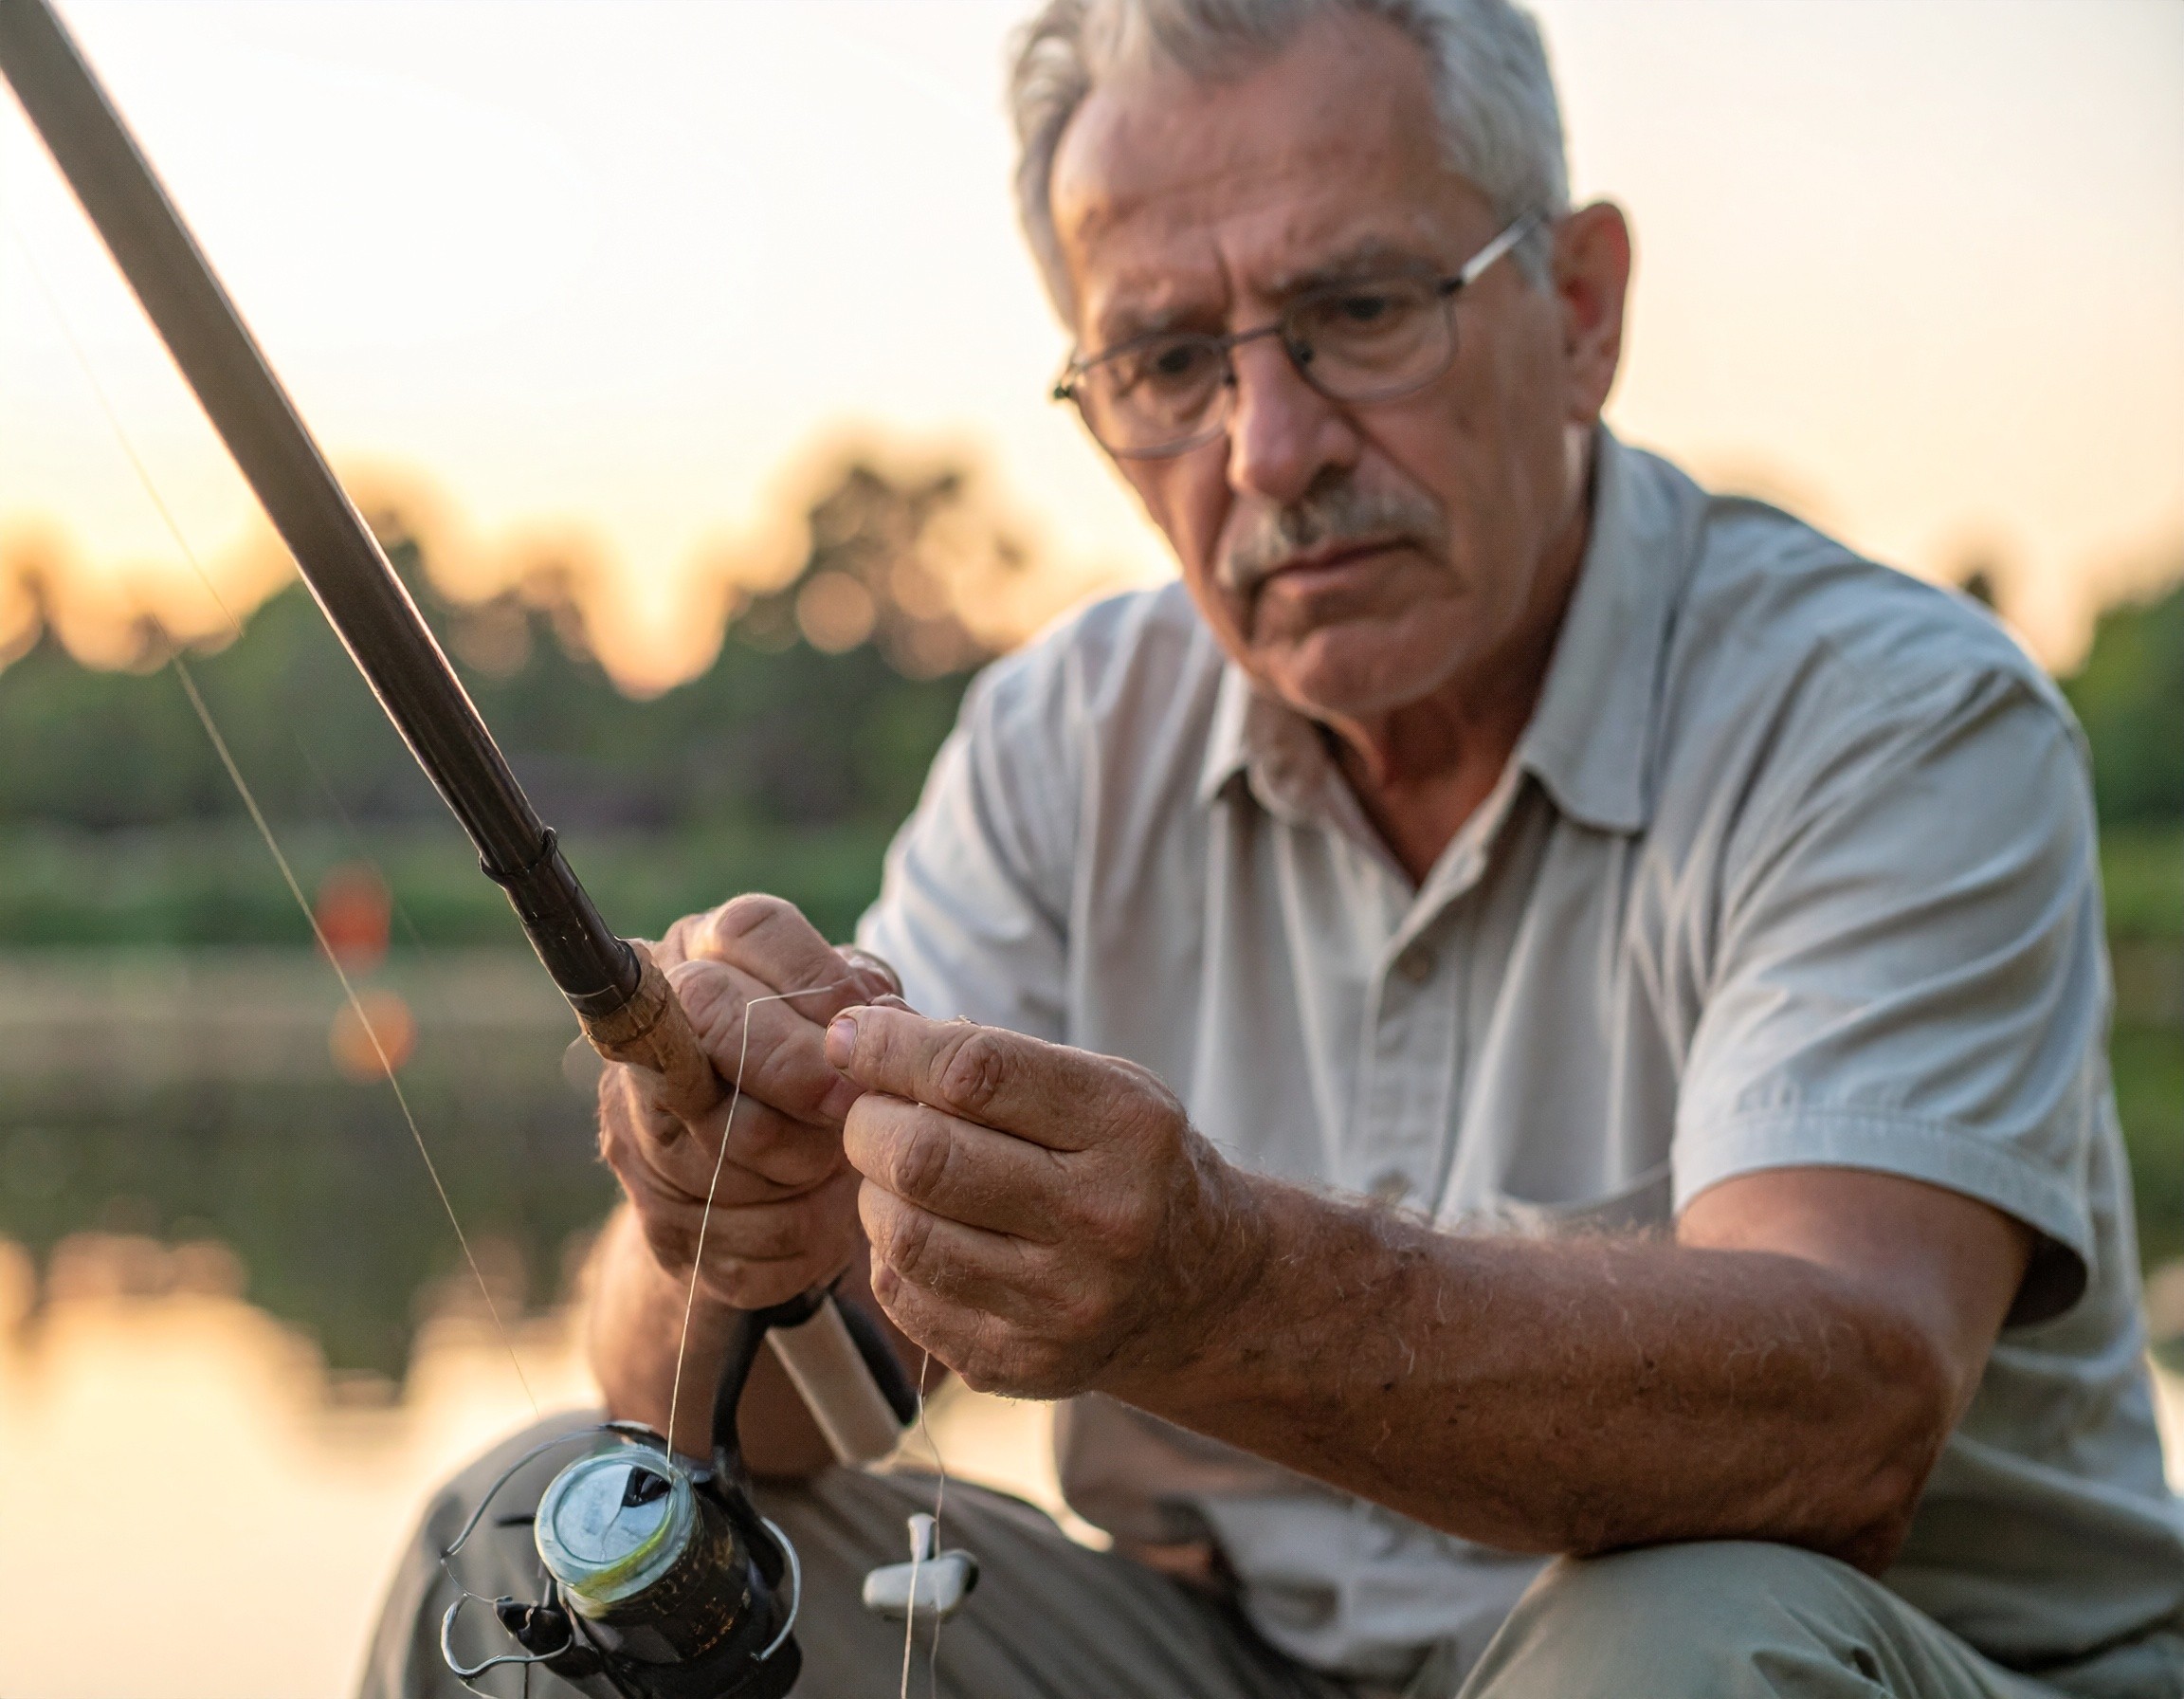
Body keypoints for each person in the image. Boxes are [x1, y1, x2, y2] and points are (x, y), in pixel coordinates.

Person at [361, 3, 2184, 1695]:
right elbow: (795, 1415)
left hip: (1880, 1651)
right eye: (1165, 358)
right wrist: (718, 1223)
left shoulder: (1892, 712)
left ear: (1583, 307)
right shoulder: (1061, 735)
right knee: (529, 1550)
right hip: (1232, 1658)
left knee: (1681, 1640)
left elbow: (1843, 1427)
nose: (1275, 446)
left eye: (1366, 308)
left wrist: (1216, 1290)